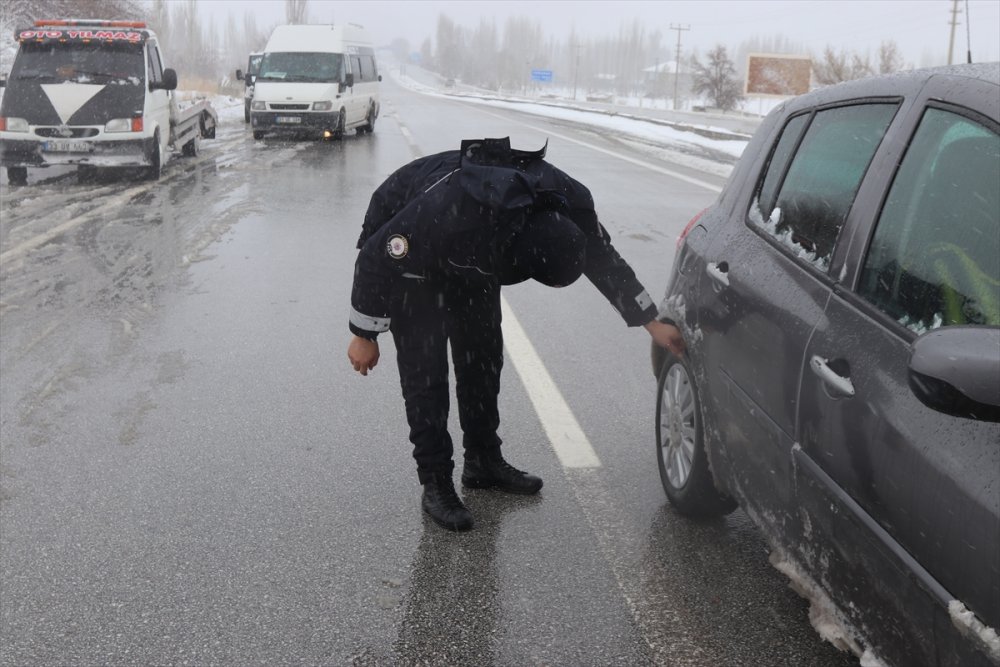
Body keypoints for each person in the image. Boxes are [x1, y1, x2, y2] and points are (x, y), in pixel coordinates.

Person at [348, 137, 684, 531]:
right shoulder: (450, 213)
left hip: (476, 248)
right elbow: (376, 257)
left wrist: (649, 319)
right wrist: (365, 333)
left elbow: (602, 257)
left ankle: (483, 461)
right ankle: (435, 482)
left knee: (482, 358)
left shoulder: (570, 199)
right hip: (413, 255)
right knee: (426, 376)